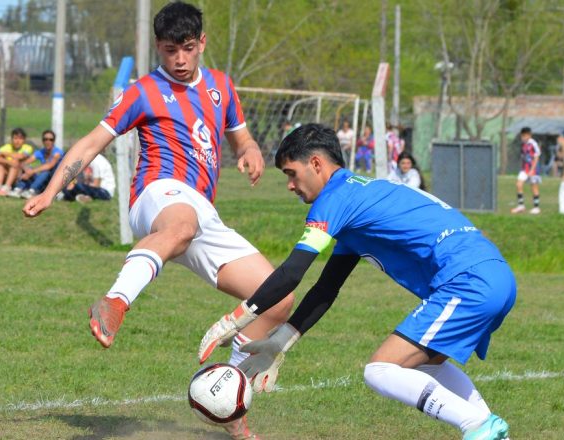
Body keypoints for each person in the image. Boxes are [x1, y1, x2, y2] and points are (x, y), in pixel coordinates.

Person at [22, 3, 293, 439]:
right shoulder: (143, 91)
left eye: (187, 49)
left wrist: (250, 150)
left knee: (278, 299)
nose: (180, 60)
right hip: (157, 194)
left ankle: (229, 399)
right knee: (180, 226)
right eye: (170, 51)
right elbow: (93, 142)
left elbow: (240, 137)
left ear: (202, 42)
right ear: (158, 48)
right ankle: (114, 302)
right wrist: (50, 191)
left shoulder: (222, 87)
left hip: (204, 212)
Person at [199, 123, 516, 440]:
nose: (290, 186)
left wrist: (236, 318)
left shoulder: (334, 199)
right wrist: (280, 342)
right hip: (496, 277)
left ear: (317, 165)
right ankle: (486, 423)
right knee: (420, 367)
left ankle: (478, 425)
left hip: (467, 280)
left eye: (290, 173)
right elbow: (326, 288)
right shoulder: (358, 196)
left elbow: (292, 272)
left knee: (380, 371)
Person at [10, 129, 64, 199]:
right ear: (42, 141)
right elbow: (24, 163)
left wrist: (32, 171)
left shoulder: (57, 152)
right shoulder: (41, 151)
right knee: (29, 169)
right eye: (45, 139)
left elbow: (50, 165)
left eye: (51, 139)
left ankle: (32, 191)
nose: (48, 141)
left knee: (45, 171)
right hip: (42, 180)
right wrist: (27, 170)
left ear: (54, 141)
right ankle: (18, 189)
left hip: (53, 181)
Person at [0, 128, 34, 196]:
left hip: (20, 175)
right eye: (15, 138)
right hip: (8, 173)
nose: (17, 141)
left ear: (24, 140)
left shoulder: (27, 147)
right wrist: (7, 162)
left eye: (20, 139)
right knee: (2, 162)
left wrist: (6, 154)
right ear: (11, 139)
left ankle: (7, 186)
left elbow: (21, 156)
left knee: (15, 161)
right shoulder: (7, 147)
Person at [510, 127, 541, 214]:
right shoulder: (523, 144)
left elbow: (536, 157)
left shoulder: (533, 144)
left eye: (525, 136)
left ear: (529, 135)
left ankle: (536, 207)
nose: (524, 138)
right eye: (522, 136)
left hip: (533, 169)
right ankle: (521, 206)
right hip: (524, 168)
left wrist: (532, 169)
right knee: (518, 184)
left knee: (534, 187)